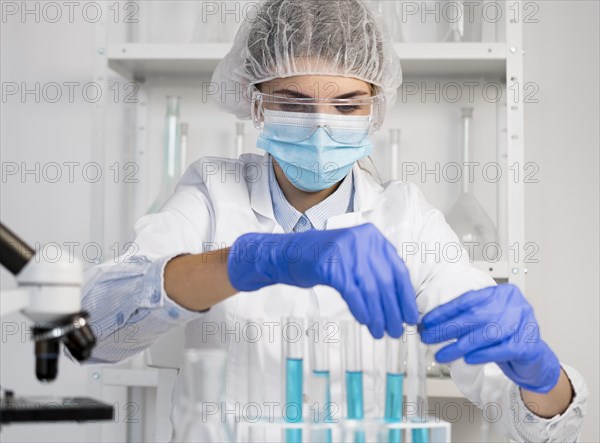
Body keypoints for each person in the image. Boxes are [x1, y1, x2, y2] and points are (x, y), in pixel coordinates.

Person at [80, 0, 587, 441]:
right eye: (294, 104)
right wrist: (256, 258)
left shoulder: (406, 220)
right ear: (254, 103)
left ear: (375, 108)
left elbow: (541, 426)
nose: (322, 126)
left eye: (347, 105)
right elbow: (95, 330)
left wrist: (540, 377)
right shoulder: (212, 192)